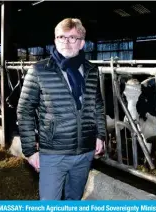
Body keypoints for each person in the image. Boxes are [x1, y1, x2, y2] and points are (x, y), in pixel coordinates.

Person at [17, 18, 106, 200]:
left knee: (74, 199)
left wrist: (100, 135)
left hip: (84, 152)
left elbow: (97, 104)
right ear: (55, 40)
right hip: (53, 153)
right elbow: (25, 110)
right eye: (61, 37)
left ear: (81, 43)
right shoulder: (39, 70)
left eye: (72, 37)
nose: (65, 41)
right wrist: (30, 150)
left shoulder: (91, 71)